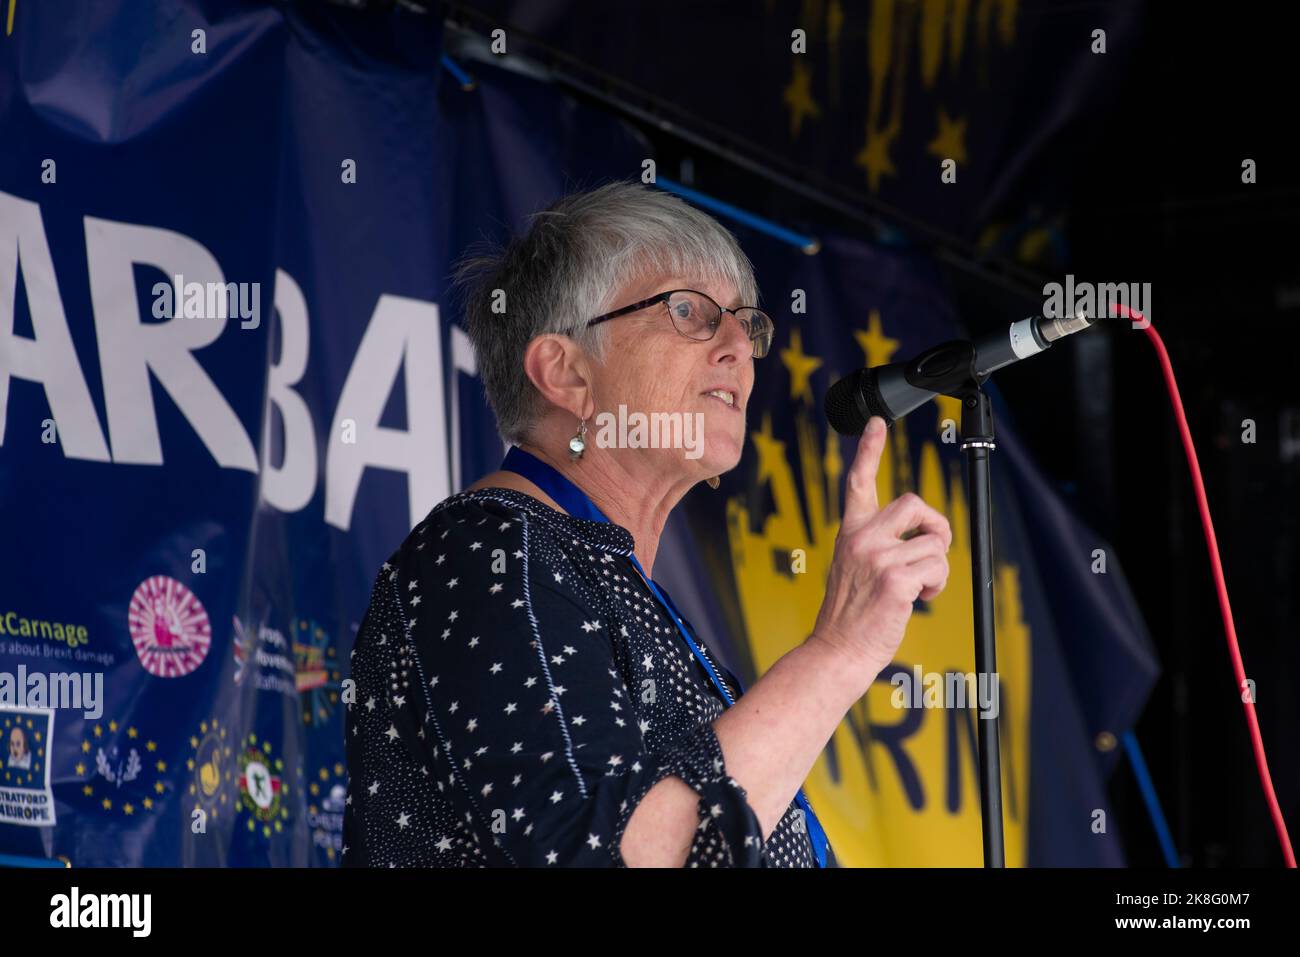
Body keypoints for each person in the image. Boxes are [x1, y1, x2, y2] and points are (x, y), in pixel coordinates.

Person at [341, 180, 951, 867]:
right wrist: (839, 649)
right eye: (690, 311)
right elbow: (605, 855)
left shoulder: (603, 578)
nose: (738, 348)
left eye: (746, 323)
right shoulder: (493, 549)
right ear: (565, 373)